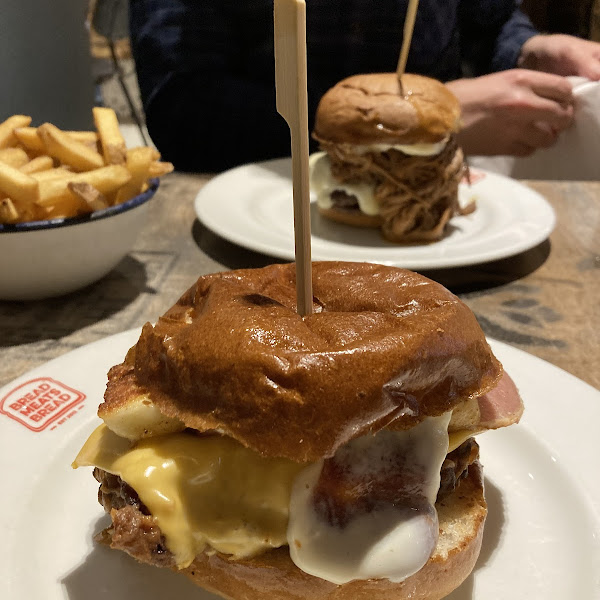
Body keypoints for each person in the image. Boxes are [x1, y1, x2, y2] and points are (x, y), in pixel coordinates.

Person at [128, 0, 600, 172]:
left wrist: (529, 47)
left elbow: (489, 20)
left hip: (445, 212)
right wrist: (413, 119)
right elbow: (182, 108)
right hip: (257, 219)